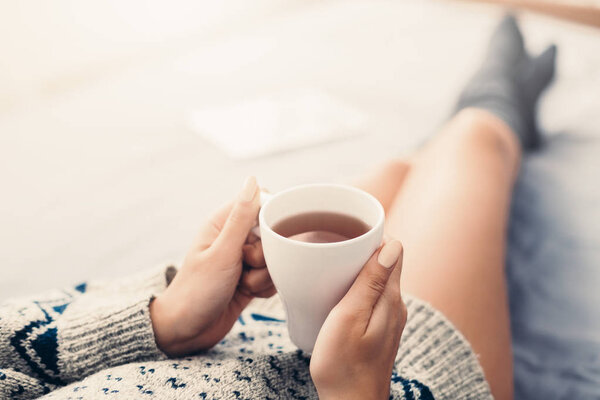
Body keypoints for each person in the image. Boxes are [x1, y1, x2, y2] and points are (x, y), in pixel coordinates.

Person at [0, 15, 556, 400]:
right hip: (375, 378)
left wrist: (165, 320)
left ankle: (475, 113)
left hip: (215, 342)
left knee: (396, 175)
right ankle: (495, 102)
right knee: (473, 141)